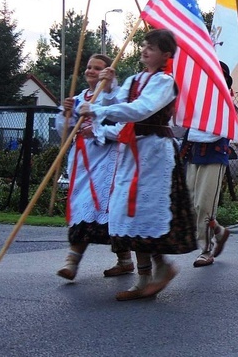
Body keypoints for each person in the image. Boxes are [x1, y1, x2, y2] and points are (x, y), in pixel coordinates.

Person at [79, 29, 197, 301]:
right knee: (125, 213)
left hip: (154, 155)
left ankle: (160, 268)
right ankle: (145, 277)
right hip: (131, 153)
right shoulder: (133, 80)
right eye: (143, 45)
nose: (144, 50)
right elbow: (120, 111)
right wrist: (107, 89)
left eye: (152, 48)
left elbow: (140, 110)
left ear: (166, 55)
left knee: (143, 211)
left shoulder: (164, 81)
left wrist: (99, 110)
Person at [55, 54, 132, 281]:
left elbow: (124, 127)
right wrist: (65, 113)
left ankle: (80, 261)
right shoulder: (78, 99)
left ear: (108, 72)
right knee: (83, 206)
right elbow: (65, 134)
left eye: (97, 68)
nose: (91, 71)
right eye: (89, 67)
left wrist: (99, 131)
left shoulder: (117, 98)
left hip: (109, 160)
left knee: (107, 210)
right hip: (82, 160)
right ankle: (79, 261)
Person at [181, 62, 234, 268]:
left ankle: (206, 249)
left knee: (205, 205)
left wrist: (192, 126)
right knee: (191, 203)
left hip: (214, 156)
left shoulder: (225, 102)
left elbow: (213, 132)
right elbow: (182, 126)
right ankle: (219, 232)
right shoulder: (196, 101)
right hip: (194, 155)